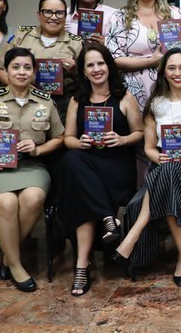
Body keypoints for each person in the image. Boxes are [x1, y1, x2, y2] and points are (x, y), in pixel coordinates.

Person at [111, 49, 181, 286]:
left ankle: (134, 234)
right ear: (163, 72)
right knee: (168, 173)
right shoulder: (156, 104)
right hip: (168, 164)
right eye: (172, 68)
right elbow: (150, 147)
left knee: (166, 175)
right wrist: (158, 158)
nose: (177, 73)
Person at [0, 47, 65, 291]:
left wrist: (38, 149)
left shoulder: (45, 101)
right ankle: (16, 265)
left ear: (34, 72)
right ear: (6, 71)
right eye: (15, 67)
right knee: (6, 203)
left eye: (27, 67)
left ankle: (7, 254)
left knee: (34, 197)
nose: (21, 72)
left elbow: (60, 138)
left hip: (32, 166)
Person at [60, 42, 144, 296]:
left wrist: (121, 139)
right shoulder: (78, 100)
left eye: (100, 63)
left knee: (81, 193)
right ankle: (107, 221)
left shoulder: (124, 97)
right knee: (72, 159)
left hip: (117, 166)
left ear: (109, 66)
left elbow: (140, 133)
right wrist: (80, 141)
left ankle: (82, 267)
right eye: (90, 65)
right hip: (88, 163)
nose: (96, 69)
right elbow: (68, 139)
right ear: (83, 71)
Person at [106, 0, 181, 112]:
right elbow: (114, 60)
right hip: (132, 94)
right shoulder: (120, 17)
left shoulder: (175, 14)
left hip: (170, 89)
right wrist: (150, 61)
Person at [0, 0, 83, 119]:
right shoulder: (21, 35)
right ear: (39, 15)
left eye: (59, 13)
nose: (53, 17)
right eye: (47, 12)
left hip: (61, 104)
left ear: (65, 16)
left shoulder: (76, 43)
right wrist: (19, 85)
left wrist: (74, 71)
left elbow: (86, 78)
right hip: (22, 99)